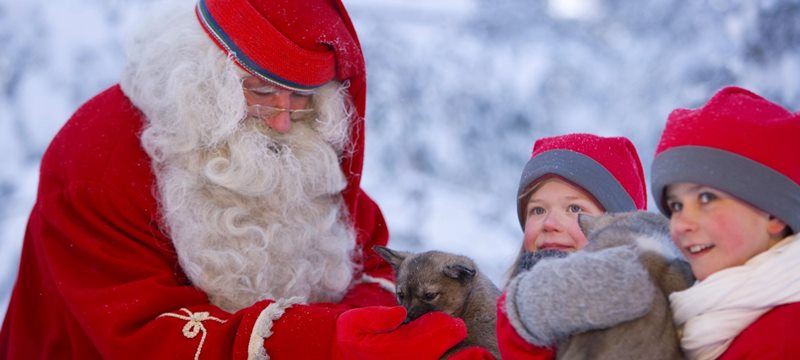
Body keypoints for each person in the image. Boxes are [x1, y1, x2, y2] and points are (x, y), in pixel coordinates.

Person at [0, 0, 468, 358]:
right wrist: (320, 339)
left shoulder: (294, 135)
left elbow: (363, 251)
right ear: (207, 76)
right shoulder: (97, 157)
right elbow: (136, 330)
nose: (284, 121)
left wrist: (368, 323)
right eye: (261, 90)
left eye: (303, 97)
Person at [650, 86, 800, 359]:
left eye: (706, 198)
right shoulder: (700, 323)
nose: (682, 224)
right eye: (675, 206)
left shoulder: (788, 334)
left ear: (774, 214)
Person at [496, 133, 652, 359]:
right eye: (538, 210)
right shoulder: (499, 323)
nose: (549, 224)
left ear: (618, 228)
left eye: (575, 209)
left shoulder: (648, 329)